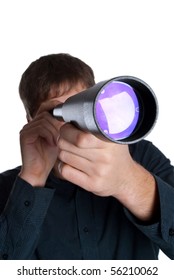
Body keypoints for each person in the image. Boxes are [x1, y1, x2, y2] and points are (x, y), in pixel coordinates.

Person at [0, 53, 174, 260]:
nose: (76, 126)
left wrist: (129, 182)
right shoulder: (9, 189)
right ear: (32, 121)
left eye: (81, 108)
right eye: (59, 111)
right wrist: (33, 178)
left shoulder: (140, 156)